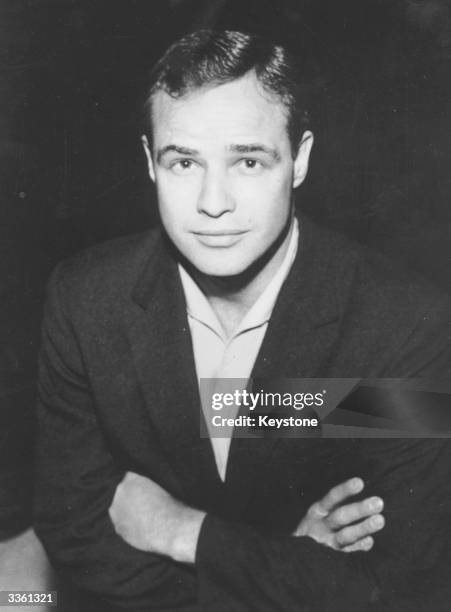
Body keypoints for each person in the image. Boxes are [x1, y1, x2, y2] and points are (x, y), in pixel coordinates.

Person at [34, 30, 451, 611]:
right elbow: (74, 534)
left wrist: (188, 533)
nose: (213, 202)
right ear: (149, 163)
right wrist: (283, 563)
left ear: (300, 159)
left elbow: (399, 587)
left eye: (248, 160)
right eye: (184, 161)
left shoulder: (405, 326)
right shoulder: (86, 299)